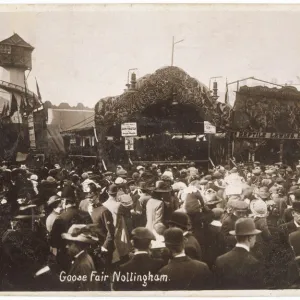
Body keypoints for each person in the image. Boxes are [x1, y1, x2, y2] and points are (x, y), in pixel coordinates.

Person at [214, 218, 265, 289]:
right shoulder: (254, 263)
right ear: (250, 238)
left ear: (235, 236)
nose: (255, 239)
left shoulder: (220, 260)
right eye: (254, 235)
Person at [61, 224, 100, 291]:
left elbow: (86, 288)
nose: (66, 246)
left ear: (79, 245)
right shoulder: (84, 258)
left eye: (70, 244)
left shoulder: (83, 263)